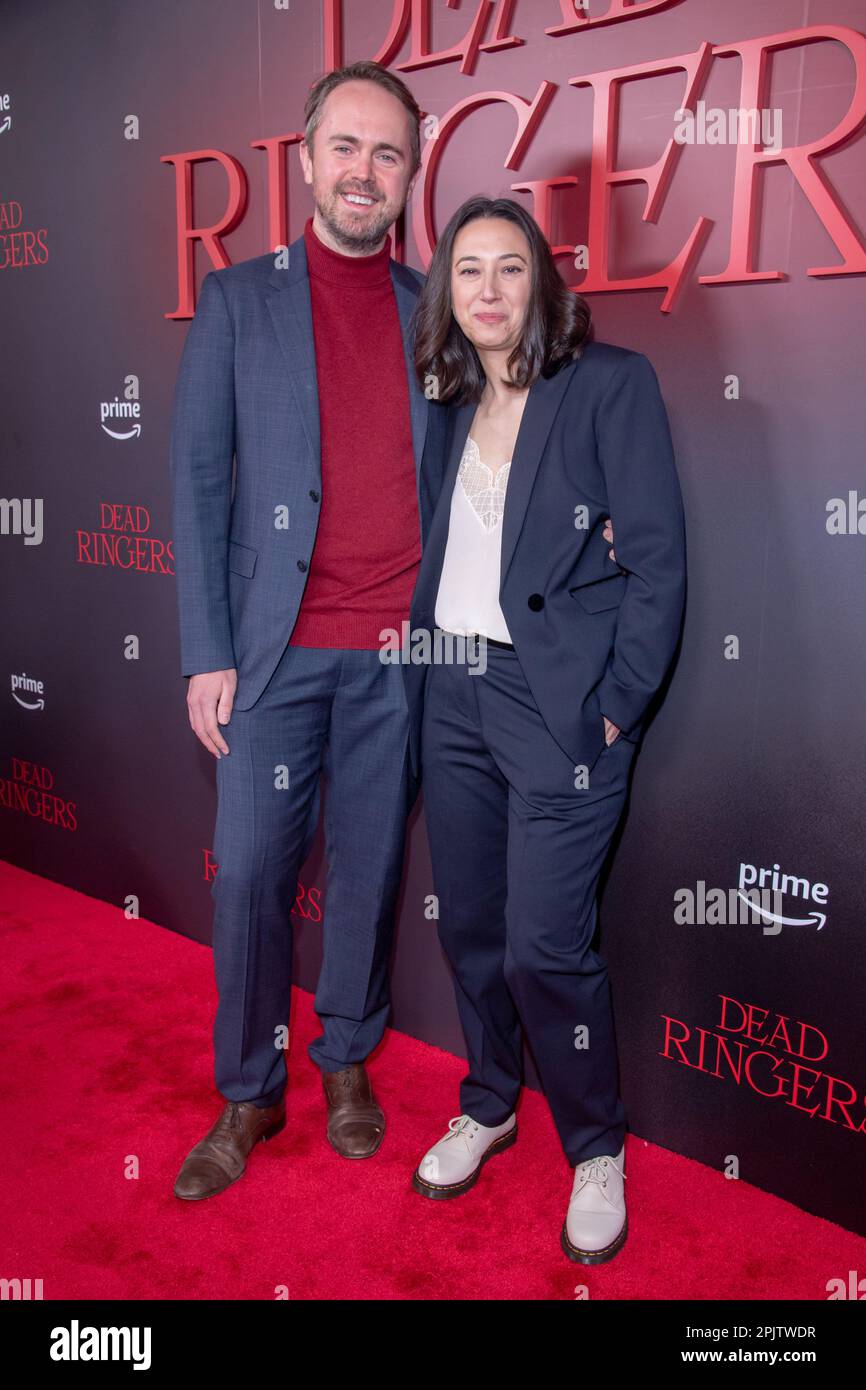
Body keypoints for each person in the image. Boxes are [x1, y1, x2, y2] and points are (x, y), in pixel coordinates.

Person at [168, 61, 450, 1200]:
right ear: (305, 156)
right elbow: (194, 481)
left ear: (409, 176)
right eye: (346, 147)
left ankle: (342, 1062)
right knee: (248, 879)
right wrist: (205, 648)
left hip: (398, 656)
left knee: (371, 867)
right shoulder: (238, 300)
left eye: (387, 154)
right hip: (272, 654)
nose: (363, 172)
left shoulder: (430, 309)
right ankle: (247, 1089)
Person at [404, 196, 686, 1263]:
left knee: (541, 945)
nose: (485, 290)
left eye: (507, 268)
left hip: (556, 703)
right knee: (469, 925)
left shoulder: (608, 386)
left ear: (540, 283)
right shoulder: (445, 395)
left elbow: (655, 561)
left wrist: (615, 705)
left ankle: (594, 1146)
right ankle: (489, 1098)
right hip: (452, 691)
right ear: (447, 293)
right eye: (465, 270)